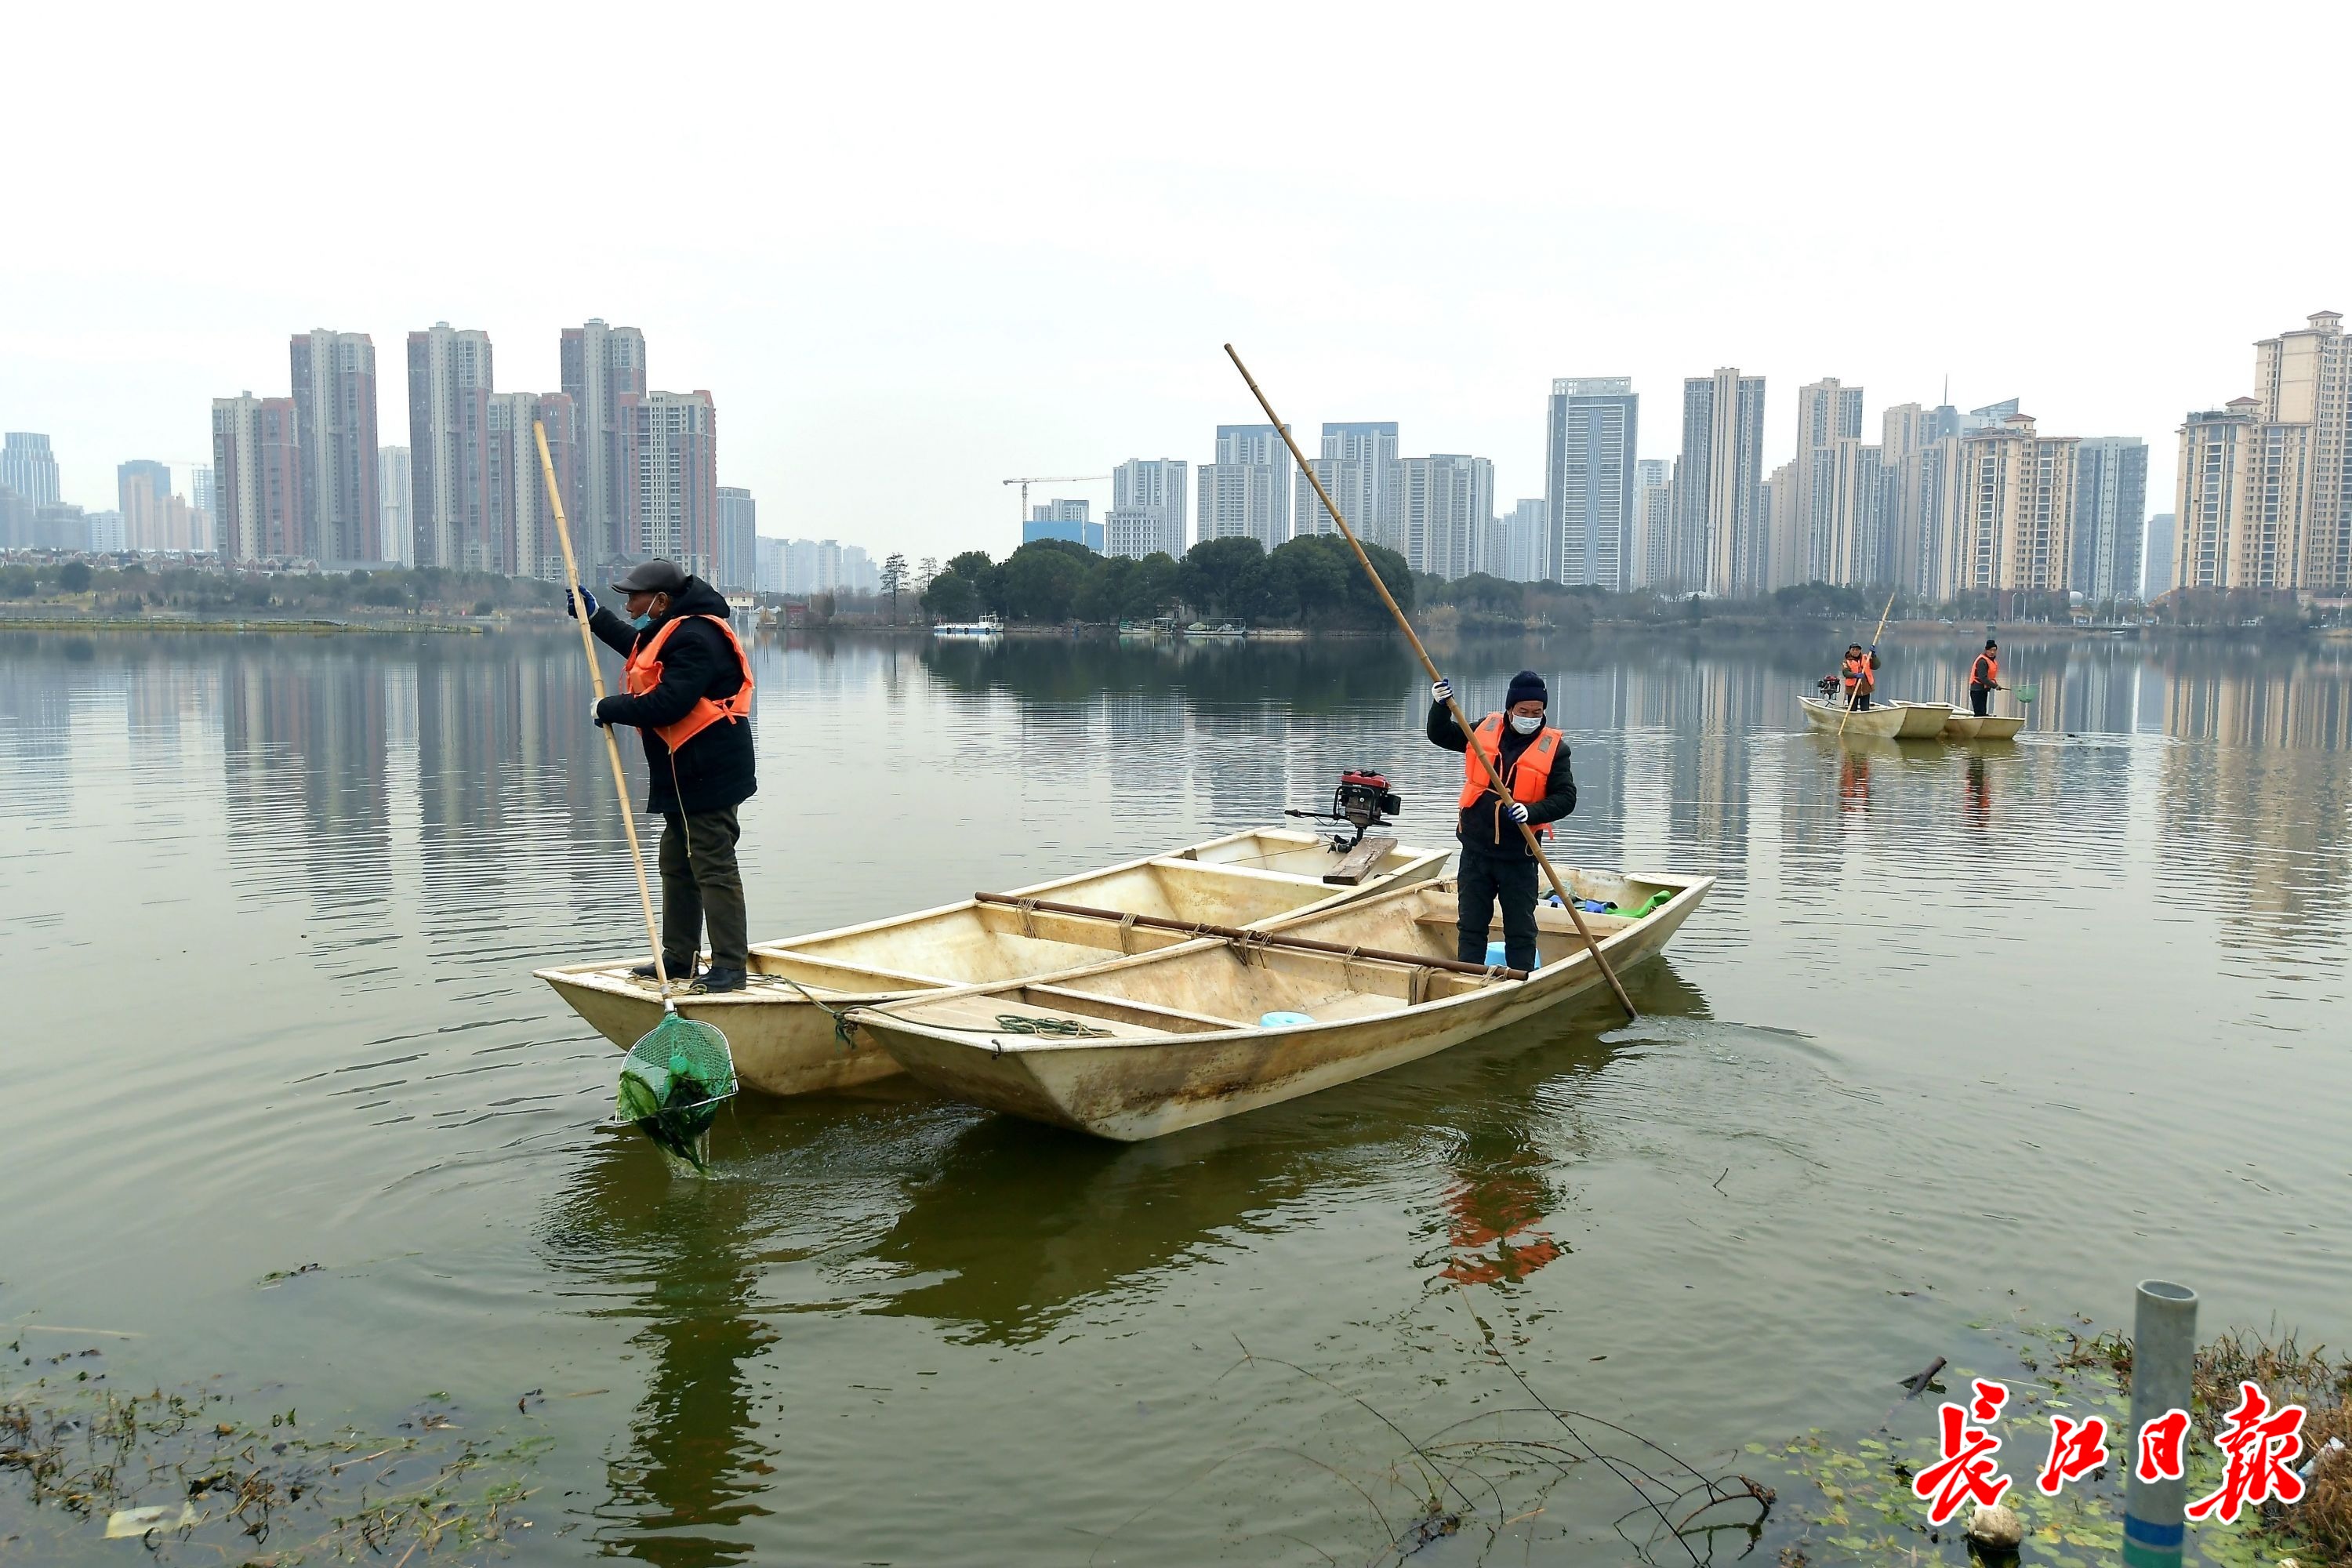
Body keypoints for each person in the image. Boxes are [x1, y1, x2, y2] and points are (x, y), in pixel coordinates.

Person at [568, 560, 757, 993]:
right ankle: (679, 958)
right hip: (683, 774)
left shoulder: (697, 636)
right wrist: (595, 618)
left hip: (710, 774)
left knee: (712, 865)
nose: (629, 602)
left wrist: (608, 707)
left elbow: (667, 704)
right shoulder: (672, 628)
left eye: (634, 596)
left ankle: (731, 967)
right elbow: (640, 648)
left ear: (662, 600)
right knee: (676, 862)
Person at [1426, 670, 1576, 973]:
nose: (1531, 717)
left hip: (1518, 856)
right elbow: (1440, 735)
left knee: (1520, 930)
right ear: (1510, 709)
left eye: (1537, 712)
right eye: (1524, 711)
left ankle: (1521, 983)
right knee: (1470, 925)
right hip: (1476, 850)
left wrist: (1531, 812)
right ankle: (1467, 980)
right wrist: (1440, 706)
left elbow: (1566, 798)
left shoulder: (1555, 750)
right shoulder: (1485, 730)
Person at [1839, 643, 1879, 711]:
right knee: (1852, 709)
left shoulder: (1866, 658)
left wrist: (1874, 655)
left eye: (1857, 650)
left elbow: (1876, 666)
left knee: (1865, 710)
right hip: (1852, 690)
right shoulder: (1846, 662)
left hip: (1865, 689)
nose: (1855, 652)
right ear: (1850, 651)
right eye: (1853, 650)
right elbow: (1846, 673)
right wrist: (1855, 675)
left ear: (1860, 651)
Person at [1968, 638, 2001, 717]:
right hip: (1977, 689)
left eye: (1994, 650)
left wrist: (1995, 685)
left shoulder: (1992, 661)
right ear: (1986, 650)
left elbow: (1990, 677)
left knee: (1983, 711)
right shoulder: (1982, 661)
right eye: (1990, 650)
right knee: (1979, 713)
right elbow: (1983, 678)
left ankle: (1984, 721)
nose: (1992, 652)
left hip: (1983, 689)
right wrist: (1995, 686)